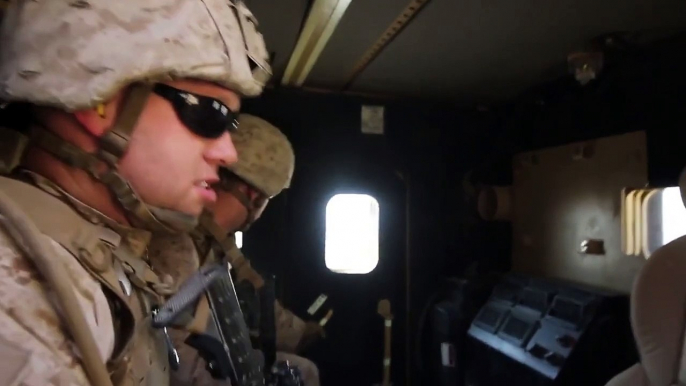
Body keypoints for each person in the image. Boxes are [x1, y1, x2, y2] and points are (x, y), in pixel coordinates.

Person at [0, 1, 271, 385]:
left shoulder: (99, 254)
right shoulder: (20, 292)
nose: (227, 152)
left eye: (232, 124)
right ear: (99, 105)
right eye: (210, 114)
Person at [155, 113, 324, 386]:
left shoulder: (210, 244)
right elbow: (170, 352)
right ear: (253, 194)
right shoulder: (179, 243)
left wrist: (301, 334)